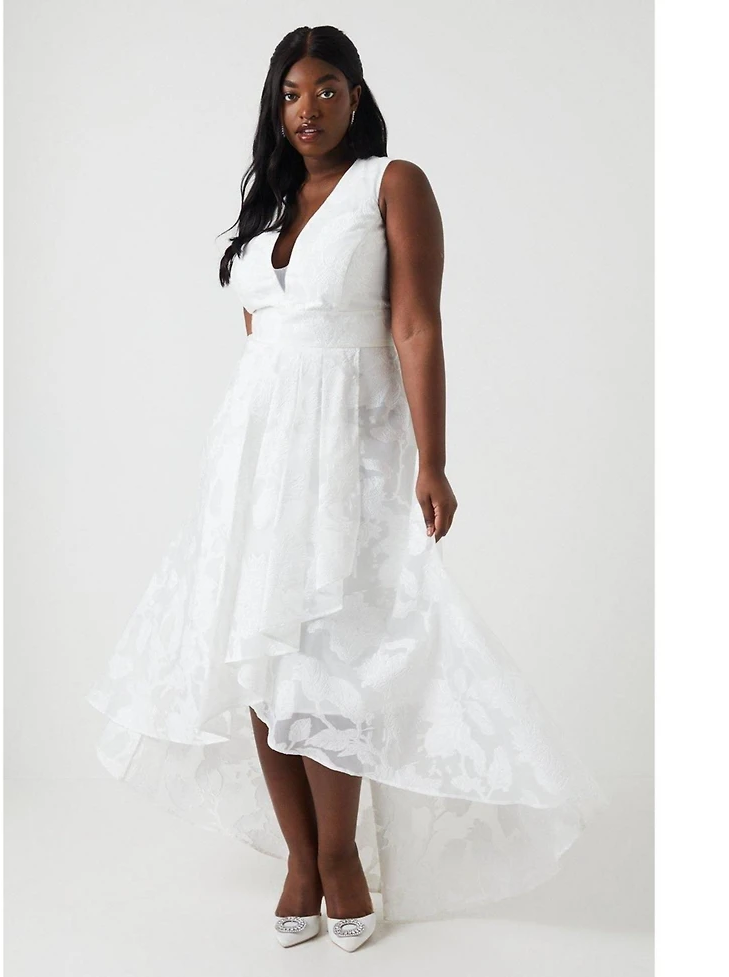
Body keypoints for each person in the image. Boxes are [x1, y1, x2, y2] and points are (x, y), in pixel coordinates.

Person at [86, 25, 608, 952]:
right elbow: (263, 336)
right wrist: (247, 452)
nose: (309, 109)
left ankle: (339, 856)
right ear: (274, 106)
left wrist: (432, 459)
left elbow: (415, 325)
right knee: (259, 643)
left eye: (327, 89)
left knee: (333, 652)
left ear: (356, 96)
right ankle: (298, 856)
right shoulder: (270, 204)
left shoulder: (390, 185)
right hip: (256, 453)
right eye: (292, 94)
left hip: (349, 449)